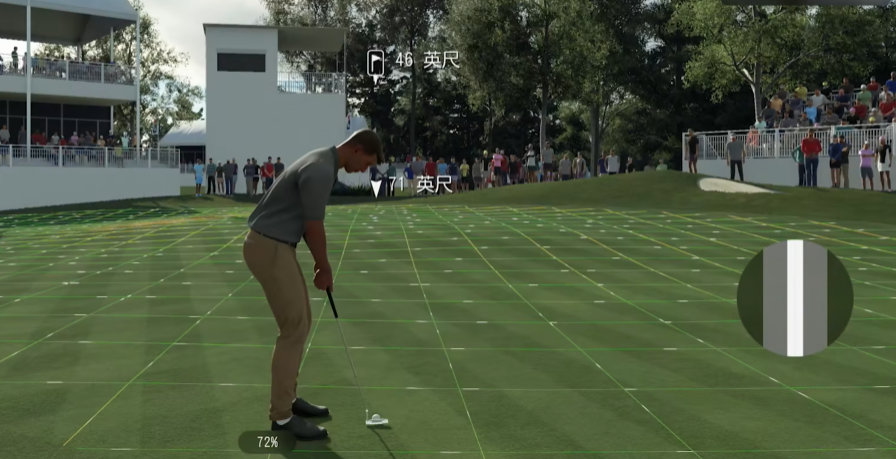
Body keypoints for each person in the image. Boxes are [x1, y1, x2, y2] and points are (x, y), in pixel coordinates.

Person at [244, 129, 383, 441]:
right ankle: (282, 418)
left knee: (302, 322)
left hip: (274, 244)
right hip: (269, 245)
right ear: (357, 149)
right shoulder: (321, 169)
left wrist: (321, 265)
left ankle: (289, 398)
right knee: (294, 327)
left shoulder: (324, 163)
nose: (364, 170)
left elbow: (307, 225)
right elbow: (313, 225)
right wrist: (324, 266)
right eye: (367, 163)